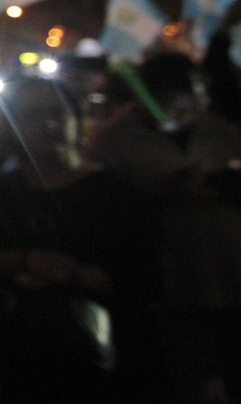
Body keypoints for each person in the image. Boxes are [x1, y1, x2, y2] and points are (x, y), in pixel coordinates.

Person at [0, 78, 162, 403]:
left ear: (75, 118)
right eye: (31, 115)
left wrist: (75, 276)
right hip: (20, 359)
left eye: (55, 112)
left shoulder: (115, 193)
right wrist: (25, 262)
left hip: (101, 359)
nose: (47, 124)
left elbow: (142, 274)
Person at [87, 52, 241, 404]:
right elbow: (102, 205)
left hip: (229, 272)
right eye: (172, 102)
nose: (184, 111)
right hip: (165, 280)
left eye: (192, 100)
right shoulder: (113, 139)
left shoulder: (219, 131)